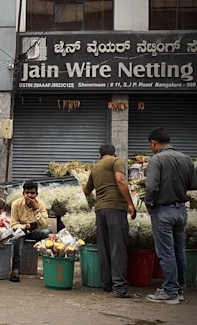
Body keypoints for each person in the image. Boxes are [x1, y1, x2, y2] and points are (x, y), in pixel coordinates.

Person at [143, 127, 196, 304]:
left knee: (166, 252)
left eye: (150, 145)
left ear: (154, 143)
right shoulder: (186, 159)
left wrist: (149, 204)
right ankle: (179, 289)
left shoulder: (157, 159)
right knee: (179, 250)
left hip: (163, 211)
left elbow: (151, 187)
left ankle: (169, 291)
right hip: (181, 210)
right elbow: (193, 184)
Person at [83, 145, 137, 298]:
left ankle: (107, 284)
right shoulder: (116, 161)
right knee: (118, 248)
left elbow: (86, 191)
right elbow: (120, 180)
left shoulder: (95, 168)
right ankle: (119, 288)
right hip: (115, 208)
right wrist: (130, 203)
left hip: (100, 210)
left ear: (100, 156)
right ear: (114, 153)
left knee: (105, 247)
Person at [9, 181, 52, 282]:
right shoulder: (16, 204)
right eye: (27, 193)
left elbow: (44, 225)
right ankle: (15, 270)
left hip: (35, 232)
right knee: (17, 236)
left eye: (32, 193)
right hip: (22, 231)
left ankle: (49, 268)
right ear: (23, 193)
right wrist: (25, 227)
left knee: (48, 233)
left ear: (36, 194)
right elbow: (14, 224)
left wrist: (35, 210)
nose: (29, 195)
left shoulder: (40, 204)